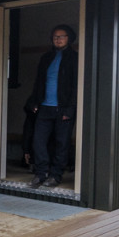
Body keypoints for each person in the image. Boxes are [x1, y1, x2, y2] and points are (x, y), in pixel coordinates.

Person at [28, 24, 78, 189]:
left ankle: (56, 175)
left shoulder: (75, 58)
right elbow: (38, 82)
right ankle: (41, 173)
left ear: (69, 38)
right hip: (44, 107)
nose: (58, 39)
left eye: (62, 36)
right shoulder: (46, 57)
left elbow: (75, 86)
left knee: (61, 143)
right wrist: (35, 102)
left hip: (63, 108)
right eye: (55, 36)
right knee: (38, 141)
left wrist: (70, 109)